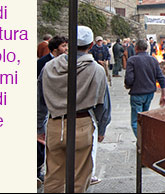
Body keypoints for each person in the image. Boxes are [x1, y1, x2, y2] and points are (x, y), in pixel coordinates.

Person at [38, 25, 111, 193]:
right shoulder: (96, 70)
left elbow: (40, 99)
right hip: (82, 123)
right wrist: (102, 128)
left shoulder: (49, 66)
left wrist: (39, 127)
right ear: (91, 45)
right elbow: (103, 104)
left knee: (54, 176)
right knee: (80, 176)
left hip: (55, 123)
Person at [36, 35, 68, 186]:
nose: (66, 49)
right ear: (55, 49)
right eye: (63, 46)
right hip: (46, 107)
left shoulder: (69, 61)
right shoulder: (43, 63)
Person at [124, 39, 165, 136]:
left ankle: (142, 142)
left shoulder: (132, 60)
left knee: (136, 121)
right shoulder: (153, 60)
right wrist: (163, 95)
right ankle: (144, 139)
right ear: (147, 48)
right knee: (145, 117)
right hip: (149, 94)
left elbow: (129, 79)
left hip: (137, 94)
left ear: (136, 48)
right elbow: (161, 77)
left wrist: (128, 85)